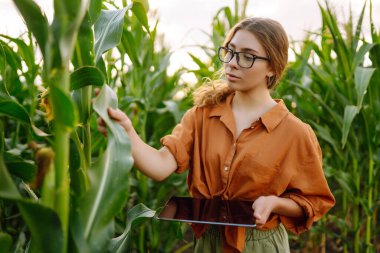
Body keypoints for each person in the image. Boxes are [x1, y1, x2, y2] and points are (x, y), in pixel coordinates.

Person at [97, 17, 335, 253]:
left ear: (272, 67)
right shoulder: (201, 115)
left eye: (247, 56)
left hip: (260, 245)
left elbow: (313, 202)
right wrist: (127, 133)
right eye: (230, 52)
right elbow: (160, 166)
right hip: (208, 243)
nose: (232, 63)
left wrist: (275, 203)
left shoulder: (295, 133)